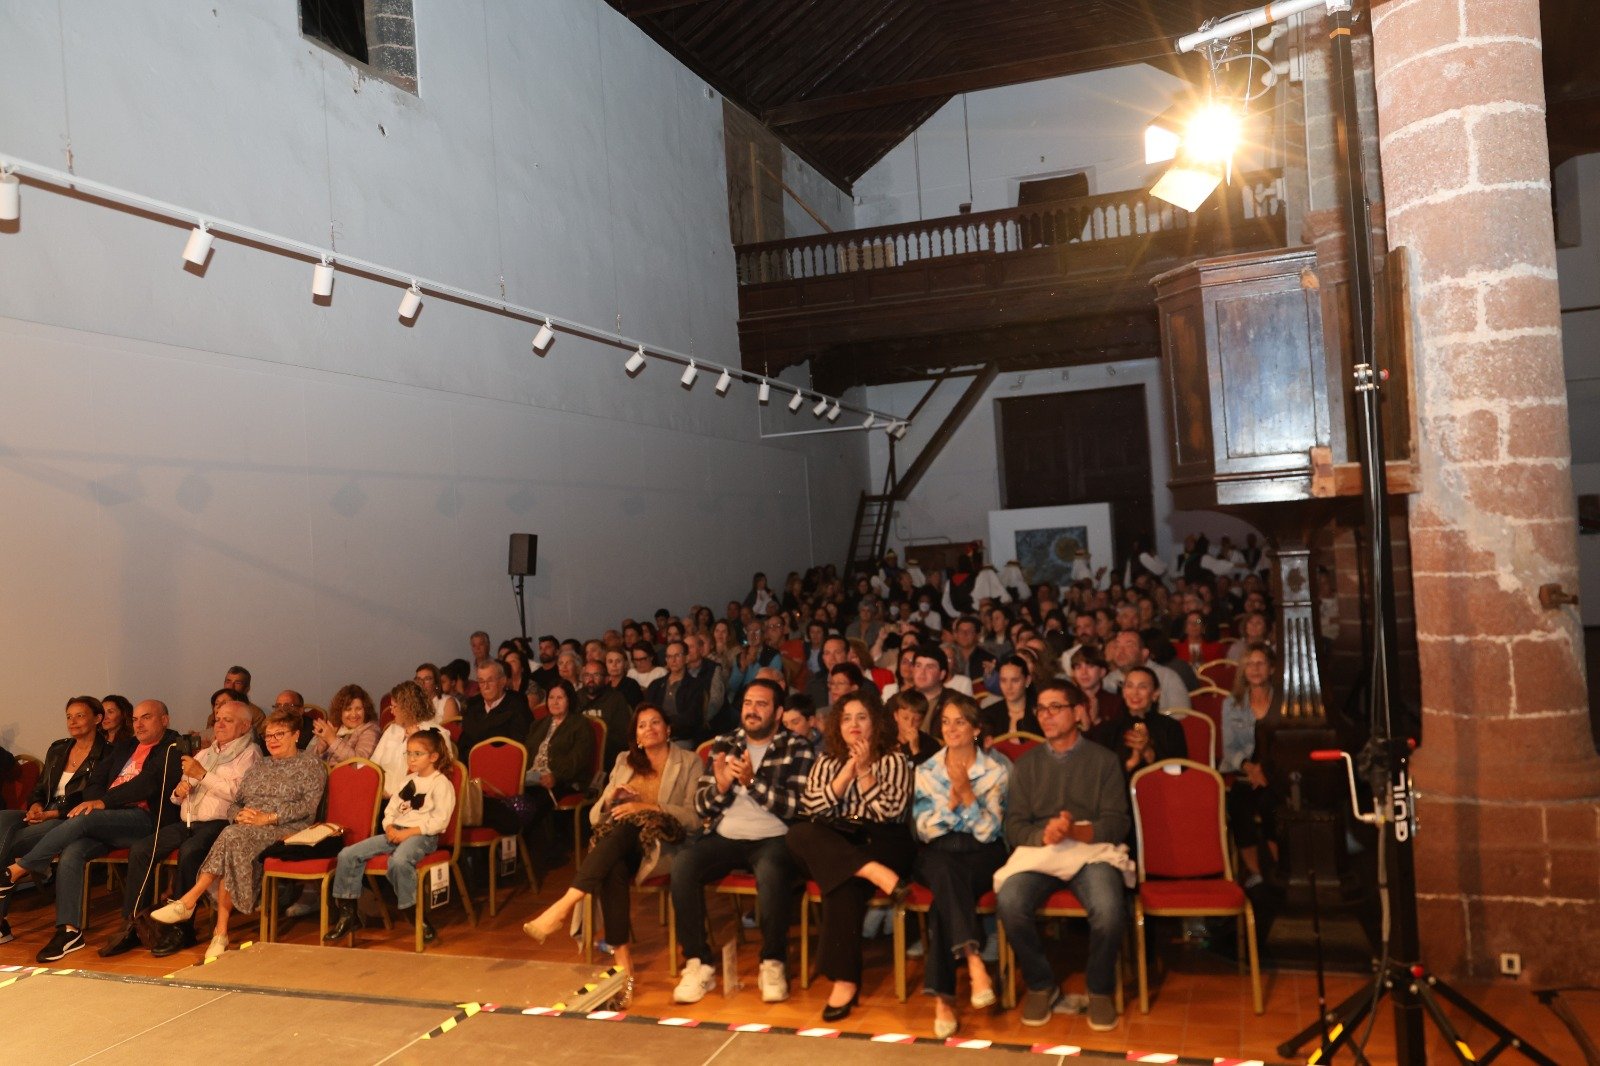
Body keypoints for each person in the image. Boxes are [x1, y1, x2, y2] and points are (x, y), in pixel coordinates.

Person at [522, 705, 700, 981]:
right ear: (637, 736)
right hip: (623, 846)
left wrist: (647, 806)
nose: (649, 729)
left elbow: (694, 818)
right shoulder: (624, 761)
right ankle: (623, 963)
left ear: (668, 730)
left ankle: (565, 904)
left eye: (655, 723)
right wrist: (610, 798)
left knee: (624, 830)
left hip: (665, 844)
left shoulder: (689, 762)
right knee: (613, 863)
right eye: (642, 725)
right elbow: (596, 818)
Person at [996, 679, 1131, 1033]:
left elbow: (1117, 823)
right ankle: (1042, 984)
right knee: (1010, 900)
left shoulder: (1104, 761)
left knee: (1108, 907)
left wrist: (1075, 831)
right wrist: (1045, 834)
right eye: (1041, 708)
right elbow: (1014, 827)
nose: (1047, 715)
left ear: (1077, 712)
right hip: (1043, 851)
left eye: (1056, 707)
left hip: (1089, 849)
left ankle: (1099, 989)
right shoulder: (1026, 766)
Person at [2, 699, 182, 962]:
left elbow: (149, 784)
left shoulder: (173, 747)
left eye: (147, 718)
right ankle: (69, 931)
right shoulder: (127, 746)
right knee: (73, 851)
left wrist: (103, 803)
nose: (139, 724)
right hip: (109, 818)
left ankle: (19, 869)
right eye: (135, 719)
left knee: (84, 820)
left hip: (143, 818)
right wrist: (97, 801)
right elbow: (96, 780)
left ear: (164, 720)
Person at [670, 679, 813, 1006]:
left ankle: (772, 962)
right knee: (683, 865)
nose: (752, 710)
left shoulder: (797, 747)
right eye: (748, 703)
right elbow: (701, 805)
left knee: (773, 873)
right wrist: (720, 787)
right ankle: (698, 964)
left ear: (778, 713)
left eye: (761, 704)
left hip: (774, 838)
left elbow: (798, 807)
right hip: (726, 836)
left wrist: (752, 782)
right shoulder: (725, 743)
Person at [150, 709, 325, 960]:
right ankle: (218, 933)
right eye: (268, 736)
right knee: (233, 838)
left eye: (280, 734)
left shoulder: (311, 764)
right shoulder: (260, 766)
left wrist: (269, 817)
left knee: (232, 836)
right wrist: (239, 815)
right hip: (247, 828)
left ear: (296, 735)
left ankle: (192, 902)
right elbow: (235, 803)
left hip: (288, 828)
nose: (273, 740)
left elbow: (308, 807)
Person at [787, 689, 915, 1021]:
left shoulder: (895, 760)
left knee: (841, 879)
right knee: (799, 834)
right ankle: (870, 871)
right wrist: (845, 772)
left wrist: (865, 772)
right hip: (839, 841)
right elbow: (812, 807)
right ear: (836, 726)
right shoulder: (826, 761)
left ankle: (844, 981)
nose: (853, 724)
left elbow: (892, 812)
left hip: (881, 839)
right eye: (846, 718)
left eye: (862, 717)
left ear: (876, 722)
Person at [99, 700, 260, 957]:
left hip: (220, 823)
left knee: (190, 851)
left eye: (227, 720)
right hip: (187, 820)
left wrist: (203, 775)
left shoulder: (250, 753)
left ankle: (181, 929)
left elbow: (239, 793)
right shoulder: (206, 752)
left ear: (245, 725)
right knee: (142, 849)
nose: (219, 724)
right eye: (217, 718)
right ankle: (133, 923)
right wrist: (179, 791)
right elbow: (178, 795)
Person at [914, 692, 1009, 1038]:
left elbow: (989, 832)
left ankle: (944, 1001)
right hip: (938, 852)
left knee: (946, 892)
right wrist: (959, 806)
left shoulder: (996, 772)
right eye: (945, 722)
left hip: (981, 855)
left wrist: (966, 795)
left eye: (960, 722)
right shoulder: (926, 770)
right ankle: (973, 961)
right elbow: (924, 829)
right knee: (944, 870)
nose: (952, 729)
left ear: (975, 729)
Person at [325, 728, 456, 945]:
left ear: (434, 757)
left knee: (399, 861)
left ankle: (416, 916)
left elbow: (439, 821)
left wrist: (408, 833)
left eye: (417, 754)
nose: (411, 759)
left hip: (421, 835)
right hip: (395, 831)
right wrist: (389, 828)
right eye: (408, 753)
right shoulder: (407, 781)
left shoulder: (441, 783)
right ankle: (348, 914)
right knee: (348, 854)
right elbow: (390, 810)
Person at [0, 697, 106, 947]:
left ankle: (1, 922)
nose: (73, 721)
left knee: (9, 843)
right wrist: (35, 805)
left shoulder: (108, 753)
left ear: (97, 719)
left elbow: (92, 796)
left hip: (69, 817)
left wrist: (51, 814)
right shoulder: (59, 748)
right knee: (2, 819)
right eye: (69, 716)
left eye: (80, 715)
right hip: (44, 811)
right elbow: (40, 787)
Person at [1220, 643, 1284, 886]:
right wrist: (1252, 768)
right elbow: (1230, 748)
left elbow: (1286, 745)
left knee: (1272, 804)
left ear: (1271, 669)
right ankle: (1255, 870)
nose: (1255, 669)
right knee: (1239, 804)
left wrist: (1266, 772)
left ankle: (1279, 867)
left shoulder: (1283, 701)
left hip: (1275, 772)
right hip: (1245, 771)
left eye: (1260, 663)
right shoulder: (1232, 703)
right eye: (1249, 664)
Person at [522, 680, 597, 867]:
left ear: (569, 700)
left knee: (533, 802)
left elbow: (578, 760)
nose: (555, 702)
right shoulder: (538, 725)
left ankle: (540, 855)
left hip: (564, 779)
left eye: (560, 698)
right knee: (513, 797)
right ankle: (525, 854)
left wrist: (556, 775)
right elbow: (525, 754)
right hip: (532, 777)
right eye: (552, 698)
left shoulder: (580, 725)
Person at [372, 681, 455, 796]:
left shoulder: (436, 733)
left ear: (408, 708)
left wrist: (416, 740)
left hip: (413, 799)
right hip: (380, 795)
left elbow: (438, 774)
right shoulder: (392, 730)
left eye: (395, 707)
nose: (391, 711)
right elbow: (373, 765)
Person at [459, 660, 533, 756]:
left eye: (490, 680)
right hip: (473, 763)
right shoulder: (472, 705)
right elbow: (464, 743)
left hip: (504, 761)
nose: (486, 686)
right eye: (481, 681)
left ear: (503, 681)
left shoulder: (517, 704)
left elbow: (519, 743)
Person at [576, 659, 633, 770]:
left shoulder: (616, 699)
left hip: (608, 755)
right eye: (587, 675)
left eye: (596, 675)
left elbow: (623, 736)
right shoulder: (576, 697)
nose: (591, 679)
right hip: (579, 753)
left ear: (606, 679)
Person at [309, 684, 381, 764]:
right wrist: (323, 742)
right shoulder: (336, 728)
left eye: (358, 709)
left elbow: (359, 762)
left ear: (366, 710)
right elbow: (309, 761)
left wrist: (331, 739)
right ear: (340, 712)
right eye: (348, 709)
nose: (353, 714)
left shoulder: (370, 730)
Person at [980, 655, 1040, 742]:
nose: (1009, 687)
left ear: (1027, 680)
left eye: (1015, 680)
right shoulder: (988, 714)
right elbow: (977, 743)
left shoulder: (1041, 713)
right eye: (1003, 680)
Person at [888, 691, 938, 765]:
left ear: (922, 721)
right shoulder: (884, 741)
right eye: (905, 718)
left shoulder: (931, 745)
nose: (910, 724)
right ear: (896, 716)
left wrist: (915, 749)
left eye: (916, 720)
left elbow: (928, 774)